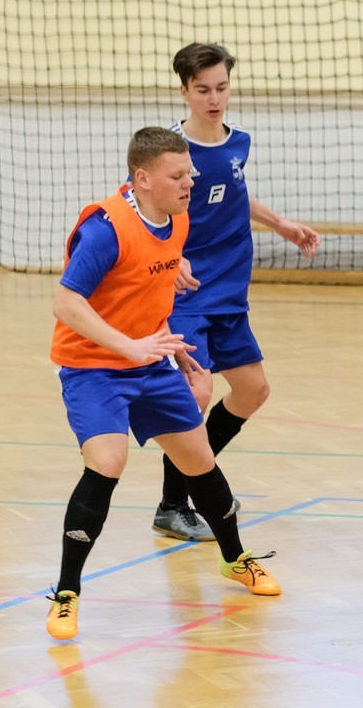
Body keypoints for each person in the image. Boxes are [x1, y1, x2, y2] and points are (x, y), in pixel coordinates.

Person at [47, 127, 281, 640]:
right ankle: (66, 592)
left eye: (189, 174)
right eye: (177, 176)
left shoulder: (176, 218)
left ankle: (235, 558)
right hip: (93, 366)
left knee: (198, 458)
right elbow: (66, 303)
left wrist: (170, 343)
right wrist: (128, 347)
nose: (189, 183)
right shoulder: (105, 230)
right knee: (108, 462)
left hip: (152, 361)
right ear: (143, 178)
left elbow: (149, 278)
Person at [151, 43, 322, 541]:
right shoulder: (170, 151)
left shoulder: (238, 141)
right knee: (197, 392)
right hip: (186, 291)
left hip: (229, 288)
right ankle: (172, 504)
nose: (214, 98)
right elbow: (137, 206)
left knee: (252, 390)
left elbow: (235, 192)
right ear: (184, 91)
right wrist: (170, 254)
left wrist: (281, 223)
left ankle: (196, 476)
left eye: (221, 88)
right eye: (203, 89)